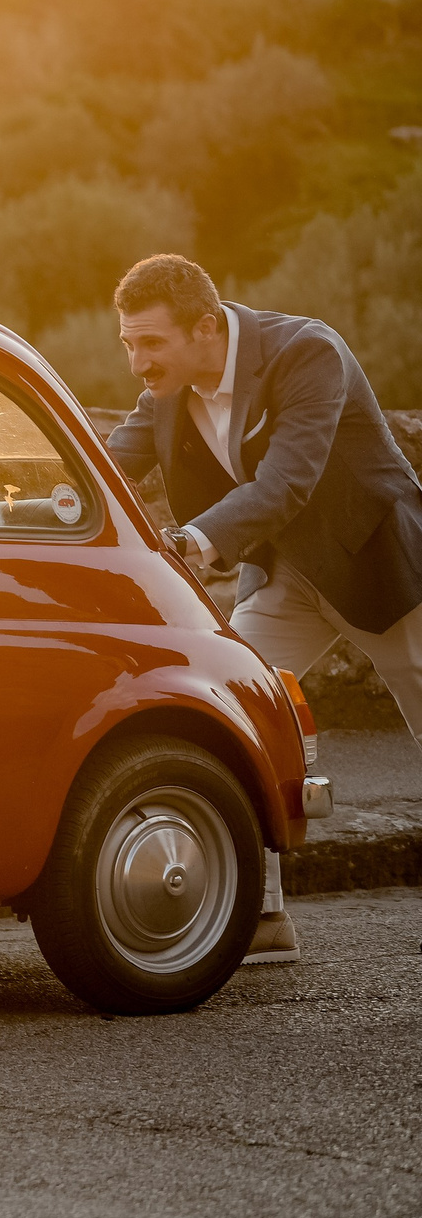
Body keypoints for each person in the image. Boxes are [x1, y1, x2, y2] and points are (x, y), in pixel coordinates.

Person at [108, 253, 422, 966]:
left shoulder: (307, 351)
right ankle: (260, 916)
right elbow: (107, 463)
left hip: (378, 563)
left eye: (150, 342)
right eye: (127, 343)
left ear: (205, 327)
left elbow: (286, 483)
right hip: (286, 577)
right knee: (231, 712)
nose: (137, 361)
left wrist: (191, 541)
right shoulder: (164, 389)